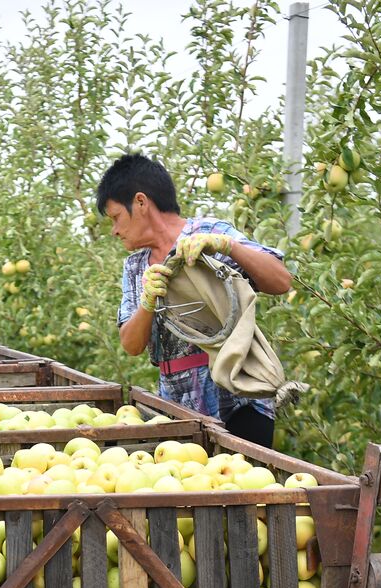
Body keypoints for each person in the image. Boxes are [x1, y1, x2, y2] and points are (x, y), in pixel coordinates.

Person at [96, 153, 292, 449]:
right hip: (177, 408)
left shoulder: (209, 234)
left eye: (115, 218)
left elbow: (280, 280)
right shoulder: (136, 267)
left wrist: (230, 247)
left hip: (236, 398)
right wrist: (147, 302)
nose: (114, 230)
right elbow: (131, 345)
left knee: (245, 489)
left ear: (140, 202)